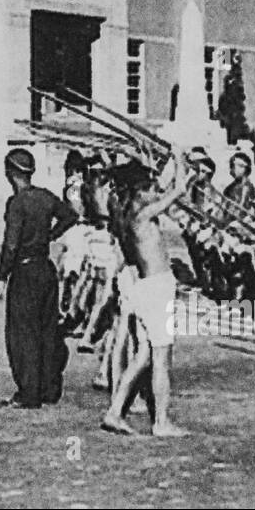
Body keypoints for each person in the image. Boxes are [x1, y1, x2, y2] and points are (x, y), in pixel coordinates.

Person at [101, 153, 191, 438]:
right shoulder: (143, 213)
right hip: (157, 288)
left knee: (142, 357)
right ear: (141, 190)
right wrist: (179, 161)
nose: (155, 189)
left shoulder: (125, 211)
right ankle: (161, 422)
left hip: (141, 287)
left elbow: (163, 187)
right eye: (149, 186)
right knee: (162, 358)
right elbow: (177, 190)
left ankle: (114, 412)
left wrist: (165, 162)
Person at [0, 148, 77, 409]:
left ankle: (29, 393)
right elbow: (71, 216)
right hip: (45, 269)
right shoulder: (45, 196)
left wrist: (1, 276)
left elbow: (10, 244)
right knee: (47, 330)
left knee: (23, 334)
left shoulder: (17, 203)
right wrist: (49, 235)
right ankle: (49, 388)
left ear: (10, 172)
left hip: (24, 273)